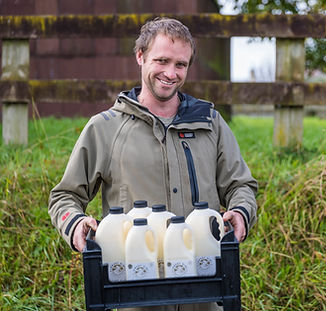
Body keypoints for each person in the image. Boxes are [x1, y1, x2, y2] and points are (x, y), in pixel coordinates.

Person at [48, 17, 258, 311]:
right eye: (162, 60)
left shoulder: (210, 124)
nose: (171, 73)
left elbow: (241, 185)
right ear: (140, 56)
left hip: (204, 295)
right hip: (134, 299)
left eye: (181, 65)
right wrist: (75, 224)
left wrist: (240, 212)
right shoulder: (105, 128)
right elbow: (64, 196)